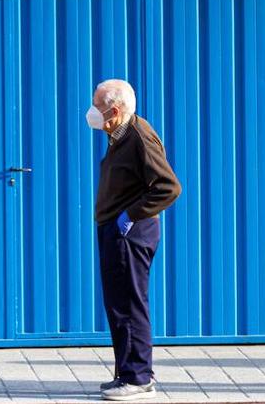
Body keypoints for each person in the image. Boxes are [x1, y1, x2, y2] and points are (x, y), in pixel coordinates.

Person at [87, 79, 181, 401]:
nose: (93, 113)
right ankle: (128, 372)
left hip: (131, 234)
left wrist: (129, 217)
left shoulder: (139, 137)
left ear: (115, 110)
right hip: (114, 230)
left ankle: (139, 378)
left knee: (130, 304)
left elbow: (169, 187)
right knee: (118, 304)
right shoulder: (118, 134)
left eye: (98, 106)